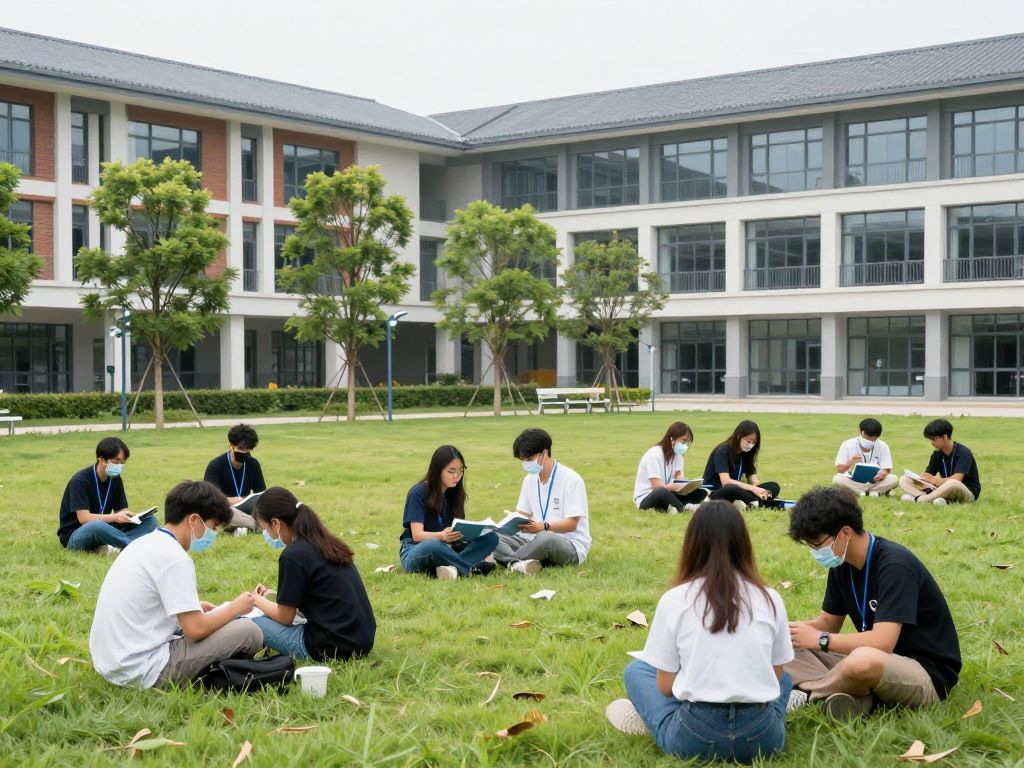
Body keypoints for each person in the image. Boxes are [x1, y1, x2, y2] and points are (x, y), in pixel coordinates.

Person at [605, 501, 794, 763]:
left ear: (692, 544)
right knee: (785, 680)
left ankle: (655, 723)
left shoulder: (675, 599)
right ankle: (777, 716)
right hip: (762, 738)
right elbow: (775, 674)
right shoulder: (770, 598)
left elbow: (664, 687)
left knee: (636, 671)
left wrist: (693, 674)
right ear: (744, 544)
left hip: (696, 735)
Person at [784, 487, 961, 719]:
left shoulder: (895, 565)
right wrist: (784, 631)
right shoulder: (841, 564)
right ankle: (855, 696)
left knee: (862, 660)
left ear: (845, 533)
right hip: (876, 661)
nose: (815, 551)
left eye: (817, 544)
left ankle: (806, 694)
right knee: (786, 647)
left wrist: (820, 639)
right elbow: (827, 623)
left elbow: (882, 643)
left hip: (925, 673)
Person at [89, 480, 263, 688]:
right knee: (249, 631)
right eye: (213, 526)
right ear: (193, 520)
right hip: (142, 669)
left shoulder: (145, 543)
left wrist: (195, 608)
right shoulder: (175, 558)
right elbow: (195, 629)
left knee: (216, 620)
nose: (213, 534)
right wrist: (236, 608)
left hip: (110, 663)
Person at [250, 487, 375, 661]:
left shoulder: (293, 555)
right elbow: (320, 596)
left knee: (249, 622)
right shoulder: (325, 542)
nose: (266, 535)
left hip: (328, 647)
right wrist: (272, 596)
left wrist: (255, 600)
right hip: (361, 641)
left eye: (265, 529)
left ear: (276, 524)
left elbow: (285, 617)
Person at [493, 428, 591, 575]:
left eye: (528, 459)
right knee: (492, 536)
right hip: (534, 539)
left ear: (544, 454)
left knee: (546, 538)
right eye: (523, 460)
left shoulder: (571, 479)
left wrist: (543, 526)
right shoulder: (530, 479)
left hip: (569, 544)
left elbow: (571, 524)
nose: (525, 463)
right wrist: (506, 524)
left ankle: (510, 562)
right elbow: (522, 513)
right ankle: (522, 563)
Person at [398, 445, 498, 580]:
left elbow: (456, 532)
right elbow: (417, 536)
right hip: (416, 550)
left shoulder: (455, 493)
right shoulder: (418, 492)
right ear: (437, 471)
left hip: (447, 549)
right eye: (451, 471)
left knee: (491, 537)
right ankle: (470, 568)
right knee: (434, 545)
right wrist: (441, 535)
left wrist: (470, 532)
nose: (457, 476)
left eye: (461, 471)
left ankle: (450, 569)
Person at [57, 436, 157, 553]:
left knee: (150, 521)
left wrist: (131, 517)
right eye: (116, 461)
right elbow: (84, 519)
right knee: (97, 526)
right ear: (102, 459)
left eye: (122, 462)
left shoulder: (115, 479)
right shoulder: (80, 481)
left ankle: (112, 546)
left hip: (105, 526)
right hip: (76, 534)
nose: (119, 466)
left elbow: (121, 510)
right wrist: (114, 517)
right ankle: (132, 546)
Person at [898, 418, 981, 505]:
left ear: (944, 437)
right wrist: (922, 479)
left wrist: (935, 480)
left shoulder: (963, 452)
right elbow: (927, 475)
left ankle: (919, 499)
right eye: (929, 439)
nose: (931, 442)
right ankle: (933, 499)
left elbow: (957, 479)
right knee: (904, 479)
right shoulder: (937, 454)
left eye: (933, 439)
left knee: (953, 483)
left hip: (965, 492)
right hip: (942, 489)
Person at [701, 420, 781, 510]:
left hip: (739, 491)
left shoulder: (746, 454)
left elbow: (754, 480)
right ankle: (757, 502)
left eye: (754, 442)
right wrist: (753, 489)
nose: (751, 445)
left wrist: (761, 491)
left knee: (774, 486)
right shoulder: (722, 451)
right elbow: (725, 482)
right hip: (718, 492)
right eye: (749, 441)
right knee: (732, 488)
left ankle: (752, 502)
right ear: (739, 436)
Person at [633, 422, 709, 513]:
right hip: (648, 496)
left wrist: (689, 485)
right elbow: (656, 486)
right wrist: (671, 487)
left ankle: (677, 506)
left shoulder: (678, 456)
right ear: (672, 439)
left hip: (669, 493)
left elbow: (679, 479)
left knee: (701, 492)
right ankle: (683, 507)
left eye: (688, 443)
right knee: (661, 492)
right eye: (683, 441)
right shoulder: (654, 454)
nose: (685, 446)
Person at [203, 423, 267, 530]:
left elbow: (260, 494)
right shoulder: (216, 466)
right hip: (224, 510)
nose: (245, 452)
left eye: (248, 449)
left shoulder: (253, 464)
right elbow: (211, 499)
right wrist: (239, 500)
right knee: (223, 514)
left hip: (247, 510)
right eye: (241, 449)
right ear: (231, 446)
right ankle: (259, 526)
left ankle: (243, 527)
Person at [831, 418, 899, 497]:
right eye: (866, 437)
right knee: (837, 479)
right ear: (860, 431)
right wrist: (850, 462)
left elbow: (887, 469)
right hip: (853, 481)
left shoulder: (883, 446)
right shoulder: (847, 444)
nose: (869, 440)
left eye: (872, 439)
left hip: (875, 482)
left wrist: (882, 475)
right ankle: (872, 492)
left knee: (894, 479)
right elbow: (839, 470)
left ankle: (859, 492)